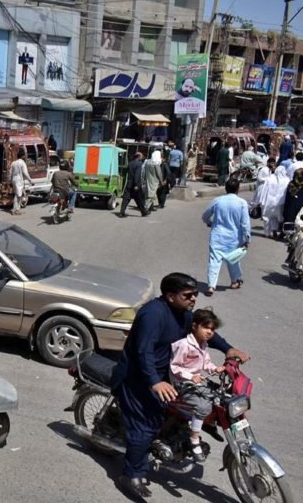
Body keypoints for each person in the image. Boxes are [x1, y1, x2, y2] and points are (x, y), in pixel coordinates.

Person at [110, 273, 249, 499]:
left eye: (195, 294)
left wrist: (228, 349)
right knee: (146, 425)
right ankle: (130, 474)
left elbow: (202, 331)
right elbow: (143, 351)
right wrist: (154, 381)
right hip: (138, 377)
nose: (194, 298)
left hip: (168, 373)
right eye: (188, 295)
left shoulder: (182, 313)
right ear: (170, 296)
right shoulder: (153, 315)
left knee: (196, 402)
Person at [170, 308, 226, 463]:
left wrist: (215, 369)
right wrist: (190, 376)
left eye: (212, 329)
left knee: (221, 397)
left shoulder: (203, 344)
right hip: (182, 384)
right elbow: (175, 367)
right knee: (203, 406)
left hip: (197, 381)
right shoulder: (183, 345)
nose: (209, 332)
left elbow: (205, 362)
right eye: (206, 327)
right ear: (194, 326)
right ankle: (194, 438)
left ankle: (207, 423)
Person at [202, 178, 251, 295]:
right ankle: (234, 281)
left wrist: (209, 222)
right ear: (238, 189)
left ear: (225, 188)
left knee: (214, 260)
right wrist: (247, 239)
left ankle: (211, 286)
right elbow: (245, 224)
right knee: (233, 259)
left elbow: (205, 216)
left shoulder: (217, 201)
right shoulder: (242, 203)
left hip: (217, 236)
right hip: (234, 238)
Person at [263, 166, 291, 239]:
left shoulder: (270, 178)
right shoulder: (287, 180)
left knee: (267, 217)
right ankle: (277, 231)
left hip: (269, 201)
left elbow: (264, 190)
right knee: (277, 218)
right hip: (280, 202)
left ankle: (267, 233)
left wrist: (261, 201)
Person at [119, 153, 149, 217]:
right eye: (141, 156)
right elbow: (137, 175)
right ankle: (144, 212)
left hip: (129, 183)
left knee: (126, 198)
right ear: (138, 157)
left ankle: (121, 212)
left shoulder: (130, 163)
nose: (142, 158)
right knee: (139, 199)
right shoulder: (139, 164)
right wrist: (136, 185)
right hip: (135, 184)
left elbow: (126, 172)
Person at [9, 149, 32, 215]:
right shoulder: (22, 163)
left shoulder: (13, 163)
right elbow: (25, 173)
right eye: (24, 155)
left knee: (17, 194)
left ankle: (16, 209)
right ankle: (15, 210)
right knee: (18, 195)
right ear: (22, 156)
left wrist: (10, 181)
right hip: (19, 179)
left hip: (14, 179)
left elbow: (10, 172)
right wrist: (30, 180)